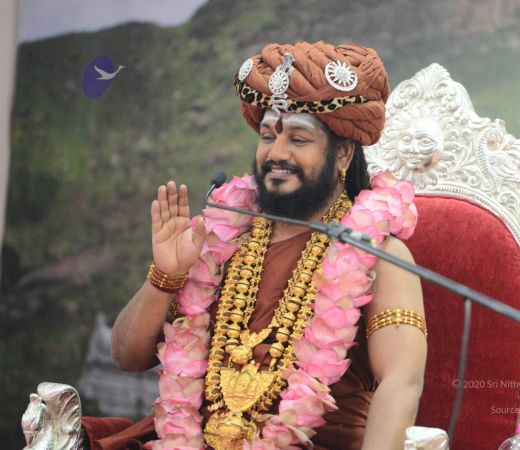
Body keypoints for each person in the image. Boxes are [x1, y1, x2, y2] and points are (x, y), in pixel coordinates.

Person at [83, 41, 427, 450]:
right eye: (267, 136)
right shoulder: (224, 238)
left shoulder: (380, 255)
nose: (275, 153)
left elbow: (401, 383)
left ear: (343, 154)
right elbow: (126, 357)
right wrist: (165, 277)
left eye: (298, 139)